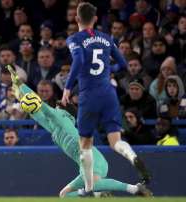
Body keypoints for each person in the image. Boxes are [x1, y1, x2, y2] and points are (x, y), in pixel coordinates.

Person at [7, 65, 151, 197]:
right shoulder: (55, 127)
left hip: (91, 159)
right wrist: (20, 89)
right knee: (64, 195)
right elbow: (36, 112)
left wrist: (23, 87)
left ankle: (134, 188)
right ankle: (98, 193)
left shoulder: (62, 117)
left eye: (58, 106)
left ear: (65, 112)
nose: (56, 107)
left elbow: (42, 108)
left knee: (93, 185)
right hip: (85, 164)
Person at [61, 3, 150, 194]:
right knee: (115, 141)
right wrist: (110, 70)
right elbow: (124, 65)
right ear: (94, 19)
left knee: (85, 144)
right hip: (109, 94)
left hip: (89, 94)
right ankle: (133, 157)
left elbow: (78, 60)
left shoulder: (74, 39)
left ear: (77, 19)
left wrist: (67, 88)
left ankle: (89, 188)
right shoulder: (106, 38)